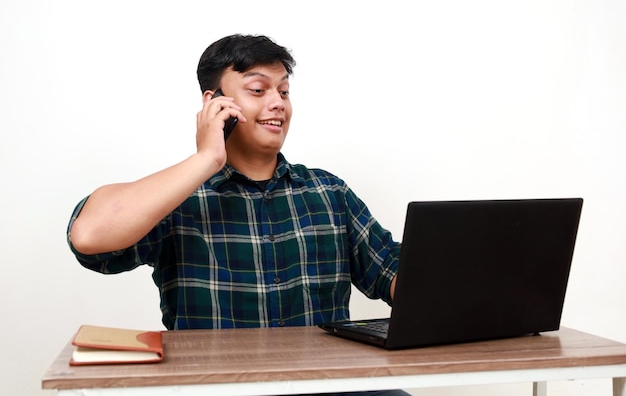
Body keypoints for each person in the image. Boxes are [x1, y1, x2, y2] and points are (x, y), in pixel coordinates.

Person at [67, 34, 408, 396]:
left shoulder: (329, 192)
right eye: (259, 91)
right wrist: (206, 159)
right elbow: (89, 238)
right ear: (215, 104)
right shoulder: (180, 197)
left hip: (326, 386)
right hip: (218, 388)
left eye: (284, 92)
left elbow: (392, 273)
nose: (278, 103)